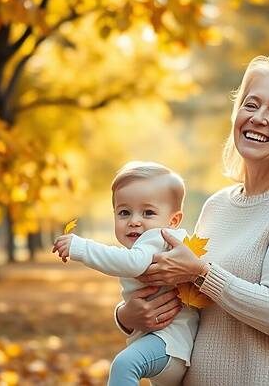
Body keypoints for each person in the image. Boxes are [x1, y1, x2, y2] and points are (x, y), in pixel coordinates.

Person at [115, 55, 269, 385]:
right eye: (251, 105)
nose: (258, 118)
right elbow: (187, 307)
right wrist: (127, 317)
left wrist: (201, 271)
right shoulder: (216, 206)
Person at [52, 161, 198, 386]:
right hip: (158, 342)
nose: (134, 221)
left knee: (124, 364)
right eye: (124, 212)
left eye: (148, 212)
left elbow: (133, 264)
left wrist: (80, 248)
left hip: (169, 342)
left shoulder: (158, 237)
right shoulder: (151, 243)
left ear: (173, 220)